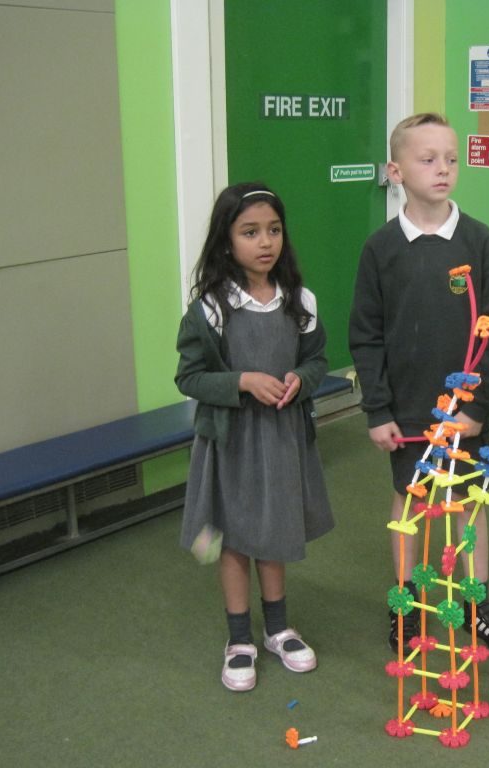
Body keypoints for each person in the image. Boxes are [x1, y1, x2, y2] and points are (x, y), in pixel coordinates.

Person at [349, 113, 489, 656]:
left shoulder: (479, 241)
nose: (443, 168)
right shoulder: (380, 249)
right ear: (396, 171)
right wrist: (378, 410)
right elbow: (366, 335)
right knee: (410, 503)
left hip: (464, 410)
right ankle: (405, 604)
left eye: (450, 158)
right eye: (428, 159)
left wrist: (478, 406)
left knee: (469, 501)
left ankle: (475, 602)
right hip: (406, 409)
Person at [175, 182, 334, 692]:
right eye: (250, 232)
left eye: (274, 230)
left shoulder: (299, 300)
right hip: (232, 442)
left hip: (281, 440)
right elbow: (189, 377)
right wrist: (241, 381)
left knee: (274, 530)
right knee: (235, 537)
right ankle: (240, 638)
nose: (265, 242)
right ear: (226, 241)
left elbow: (316, 360)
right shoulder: (211, 309)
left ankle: (279, 629)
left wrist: (300, 380)